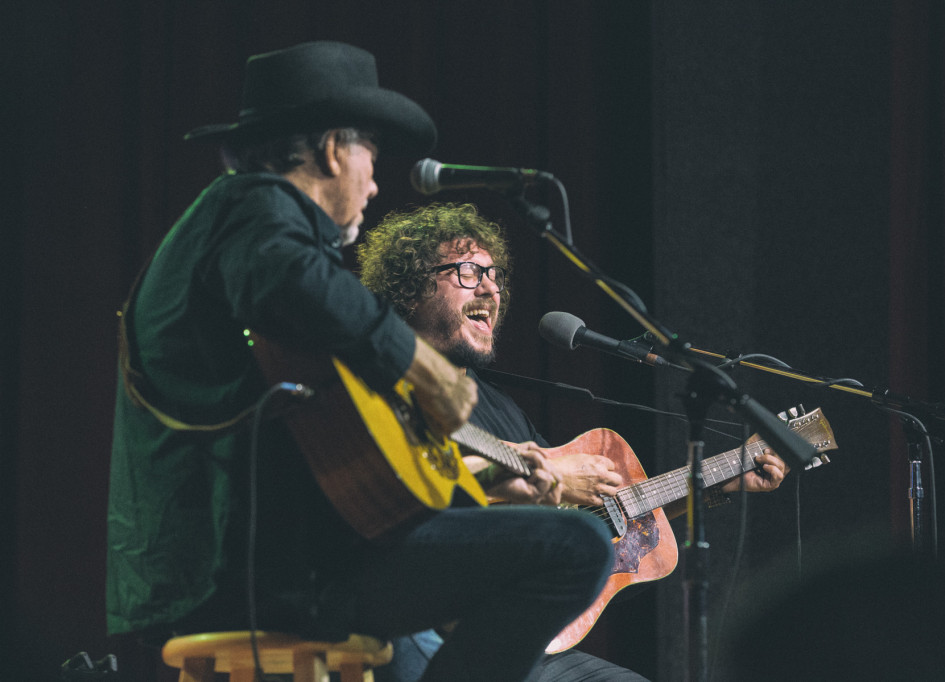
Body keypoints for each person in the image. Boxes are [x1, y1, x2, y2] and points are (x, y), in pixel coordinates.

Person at [106, 41, 615, 682]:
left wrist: (477, 482)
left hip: (248, 564)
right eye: (369, 156)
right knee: (573, 547)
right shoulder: (254, 212)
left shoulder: (236, 243)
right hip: (261, 572)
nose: (375, 184)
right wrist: (423, 369)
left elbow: (319, 450)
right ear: (329, 150)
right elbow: (290, 276)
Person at [358, 202, 791, 681]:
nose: (489, 288)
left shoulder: (499, 406)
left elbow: (595, 513)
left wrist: (718, 485)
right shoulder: (380, 389)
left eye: (494, 274)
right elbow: (397, 505)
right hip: (437, 633)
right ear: (409, 289)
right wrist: (544, 479)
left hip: (532, 649)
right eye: (466, 272)